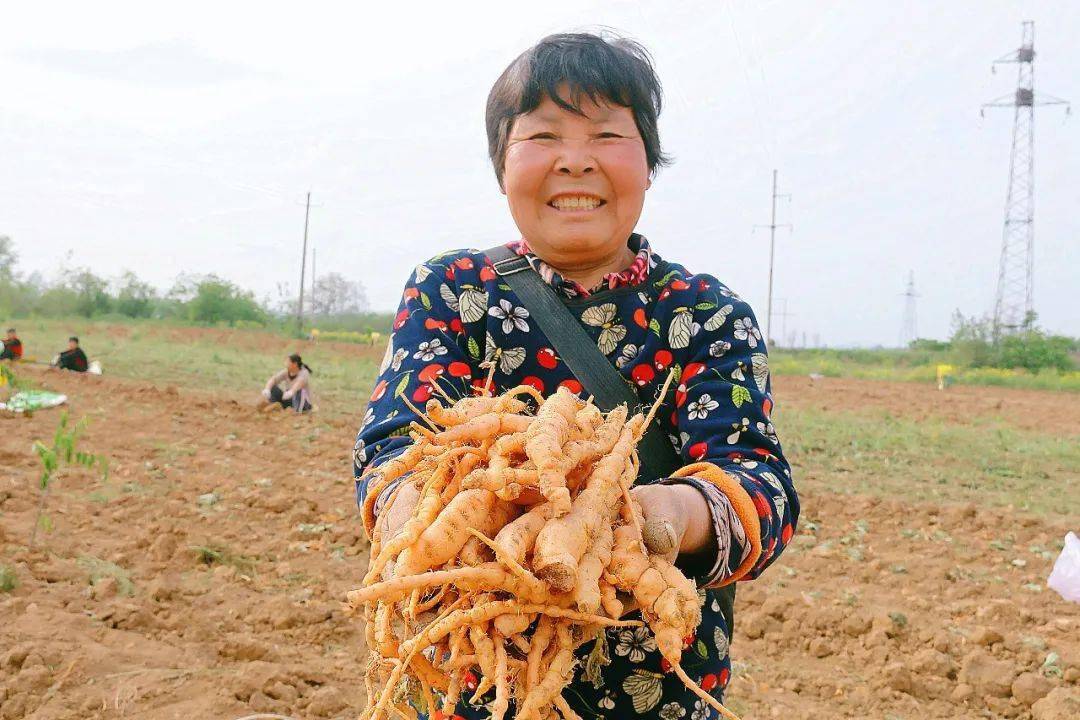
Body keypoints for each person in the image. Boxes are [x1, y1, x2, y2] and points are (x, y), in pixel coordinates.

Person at [353, 33, 799, 718]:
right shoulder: (450, 291)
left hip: (656, 692)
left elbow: (759, 483)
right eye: (543, 136)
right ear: (502, 165)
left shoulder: (708, 315)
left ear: (649, 162)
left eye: (607, 134)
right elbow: (391, 445)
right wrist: (425, 518)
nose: (575, 160)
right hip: (471, 682)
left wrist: (660, 517)